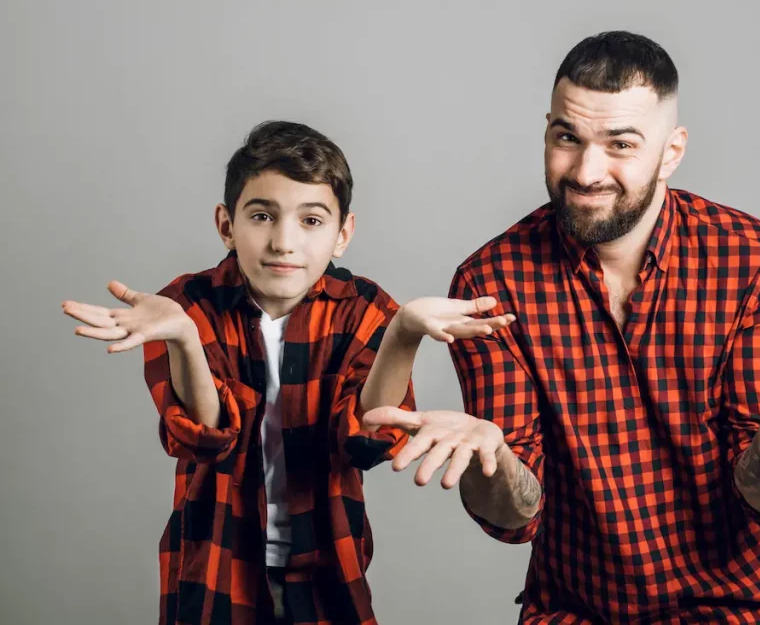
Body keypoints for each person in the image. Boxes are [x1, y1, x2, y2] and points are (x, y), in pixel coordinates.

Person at [365, 31, 760, 624]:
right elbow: (514, 519)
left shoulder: (757, 262)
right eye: (567, 137)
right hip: (576, 610)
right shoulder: (494, 280)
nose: (587, 171)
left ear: (671, 152)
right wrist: (493, 457)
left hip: (734, 607)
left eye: (620, 144)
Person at [61, 121, 512, 625]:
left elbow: (364, 440)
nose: (283, 241)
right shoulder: (185, 306)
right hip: (216, 560)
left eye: (311, 221)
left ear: (343, 234)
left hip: (326, 563)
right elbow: (206, 438)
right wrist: (184, 338)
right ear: (226, 224)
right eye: (262, 216)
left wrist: (403, 332)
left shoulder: (363, 310)